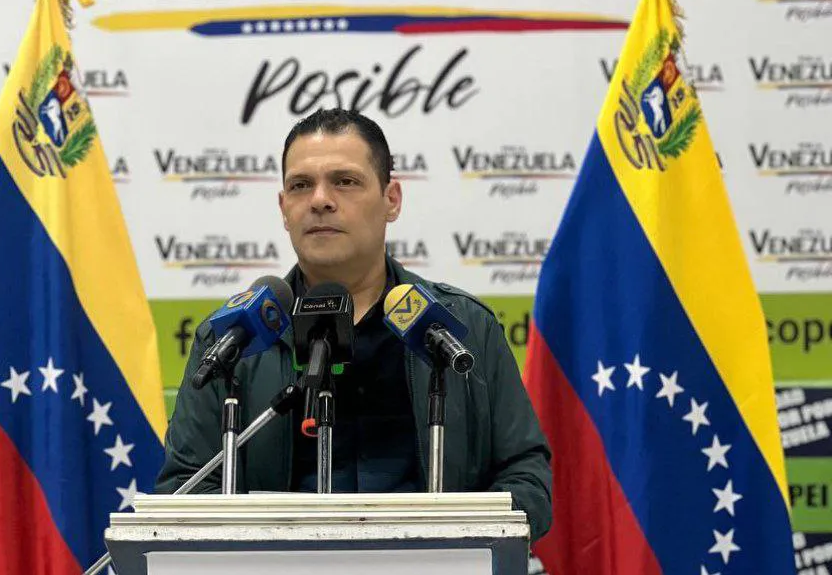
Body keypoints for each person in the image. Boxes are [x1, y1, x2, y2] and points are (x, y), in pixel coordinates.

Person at [156, 109, 552, 540]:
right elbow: (186, 489)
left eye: (345, 181)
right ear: (284, 208)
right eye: (301, 185)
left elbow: (526, 479)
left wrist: (458, 545)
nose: (320, 199)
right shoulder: (234, 340)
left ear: (392, 199)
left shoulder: (462, 329)